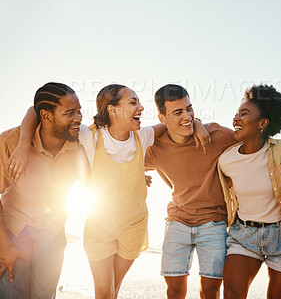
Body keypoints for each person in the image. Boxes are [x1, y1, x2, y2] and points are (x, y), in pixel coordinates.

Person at [12, 83, 210, 299]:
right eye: (133, 102)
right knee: (105, 292)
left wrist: (198, 124)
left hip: (133, 227)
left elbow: (173, 124)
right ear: (113, 109)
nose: (141, 108)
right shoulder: (89, 136)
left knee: (113, 290)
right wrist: (23, 145)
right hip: (100, 226)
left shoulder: (143, 136)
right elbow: (35, 110)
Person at [145, 84, 237, 299]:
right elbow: (126, 160)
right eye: (177, 112)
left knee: (211, 291)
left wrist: (198, 124)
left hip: (214, 223)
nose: (186, 116)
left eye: (189, 109)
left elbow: (252, 141)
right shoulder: (155, 148)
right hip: (177, 222)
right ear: (162, 118)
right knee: (174, 291)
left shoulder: (216, 134)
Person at [0, 82, 90, 299]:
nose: (78, 118)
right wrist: (4, 245)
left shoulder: (81, 144)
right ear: (46, 116)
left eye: (79, 111)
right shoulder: (10, 143)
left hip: (53, 234)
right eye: (69, 113)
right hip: (15, 234)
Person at [218, 84, 281, 299]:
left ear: (263, 123)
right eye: (236, 113)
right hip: (244, 235)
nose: (236, 119)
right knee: (232, 294)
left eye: (244, 114)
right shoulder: (226, 160)